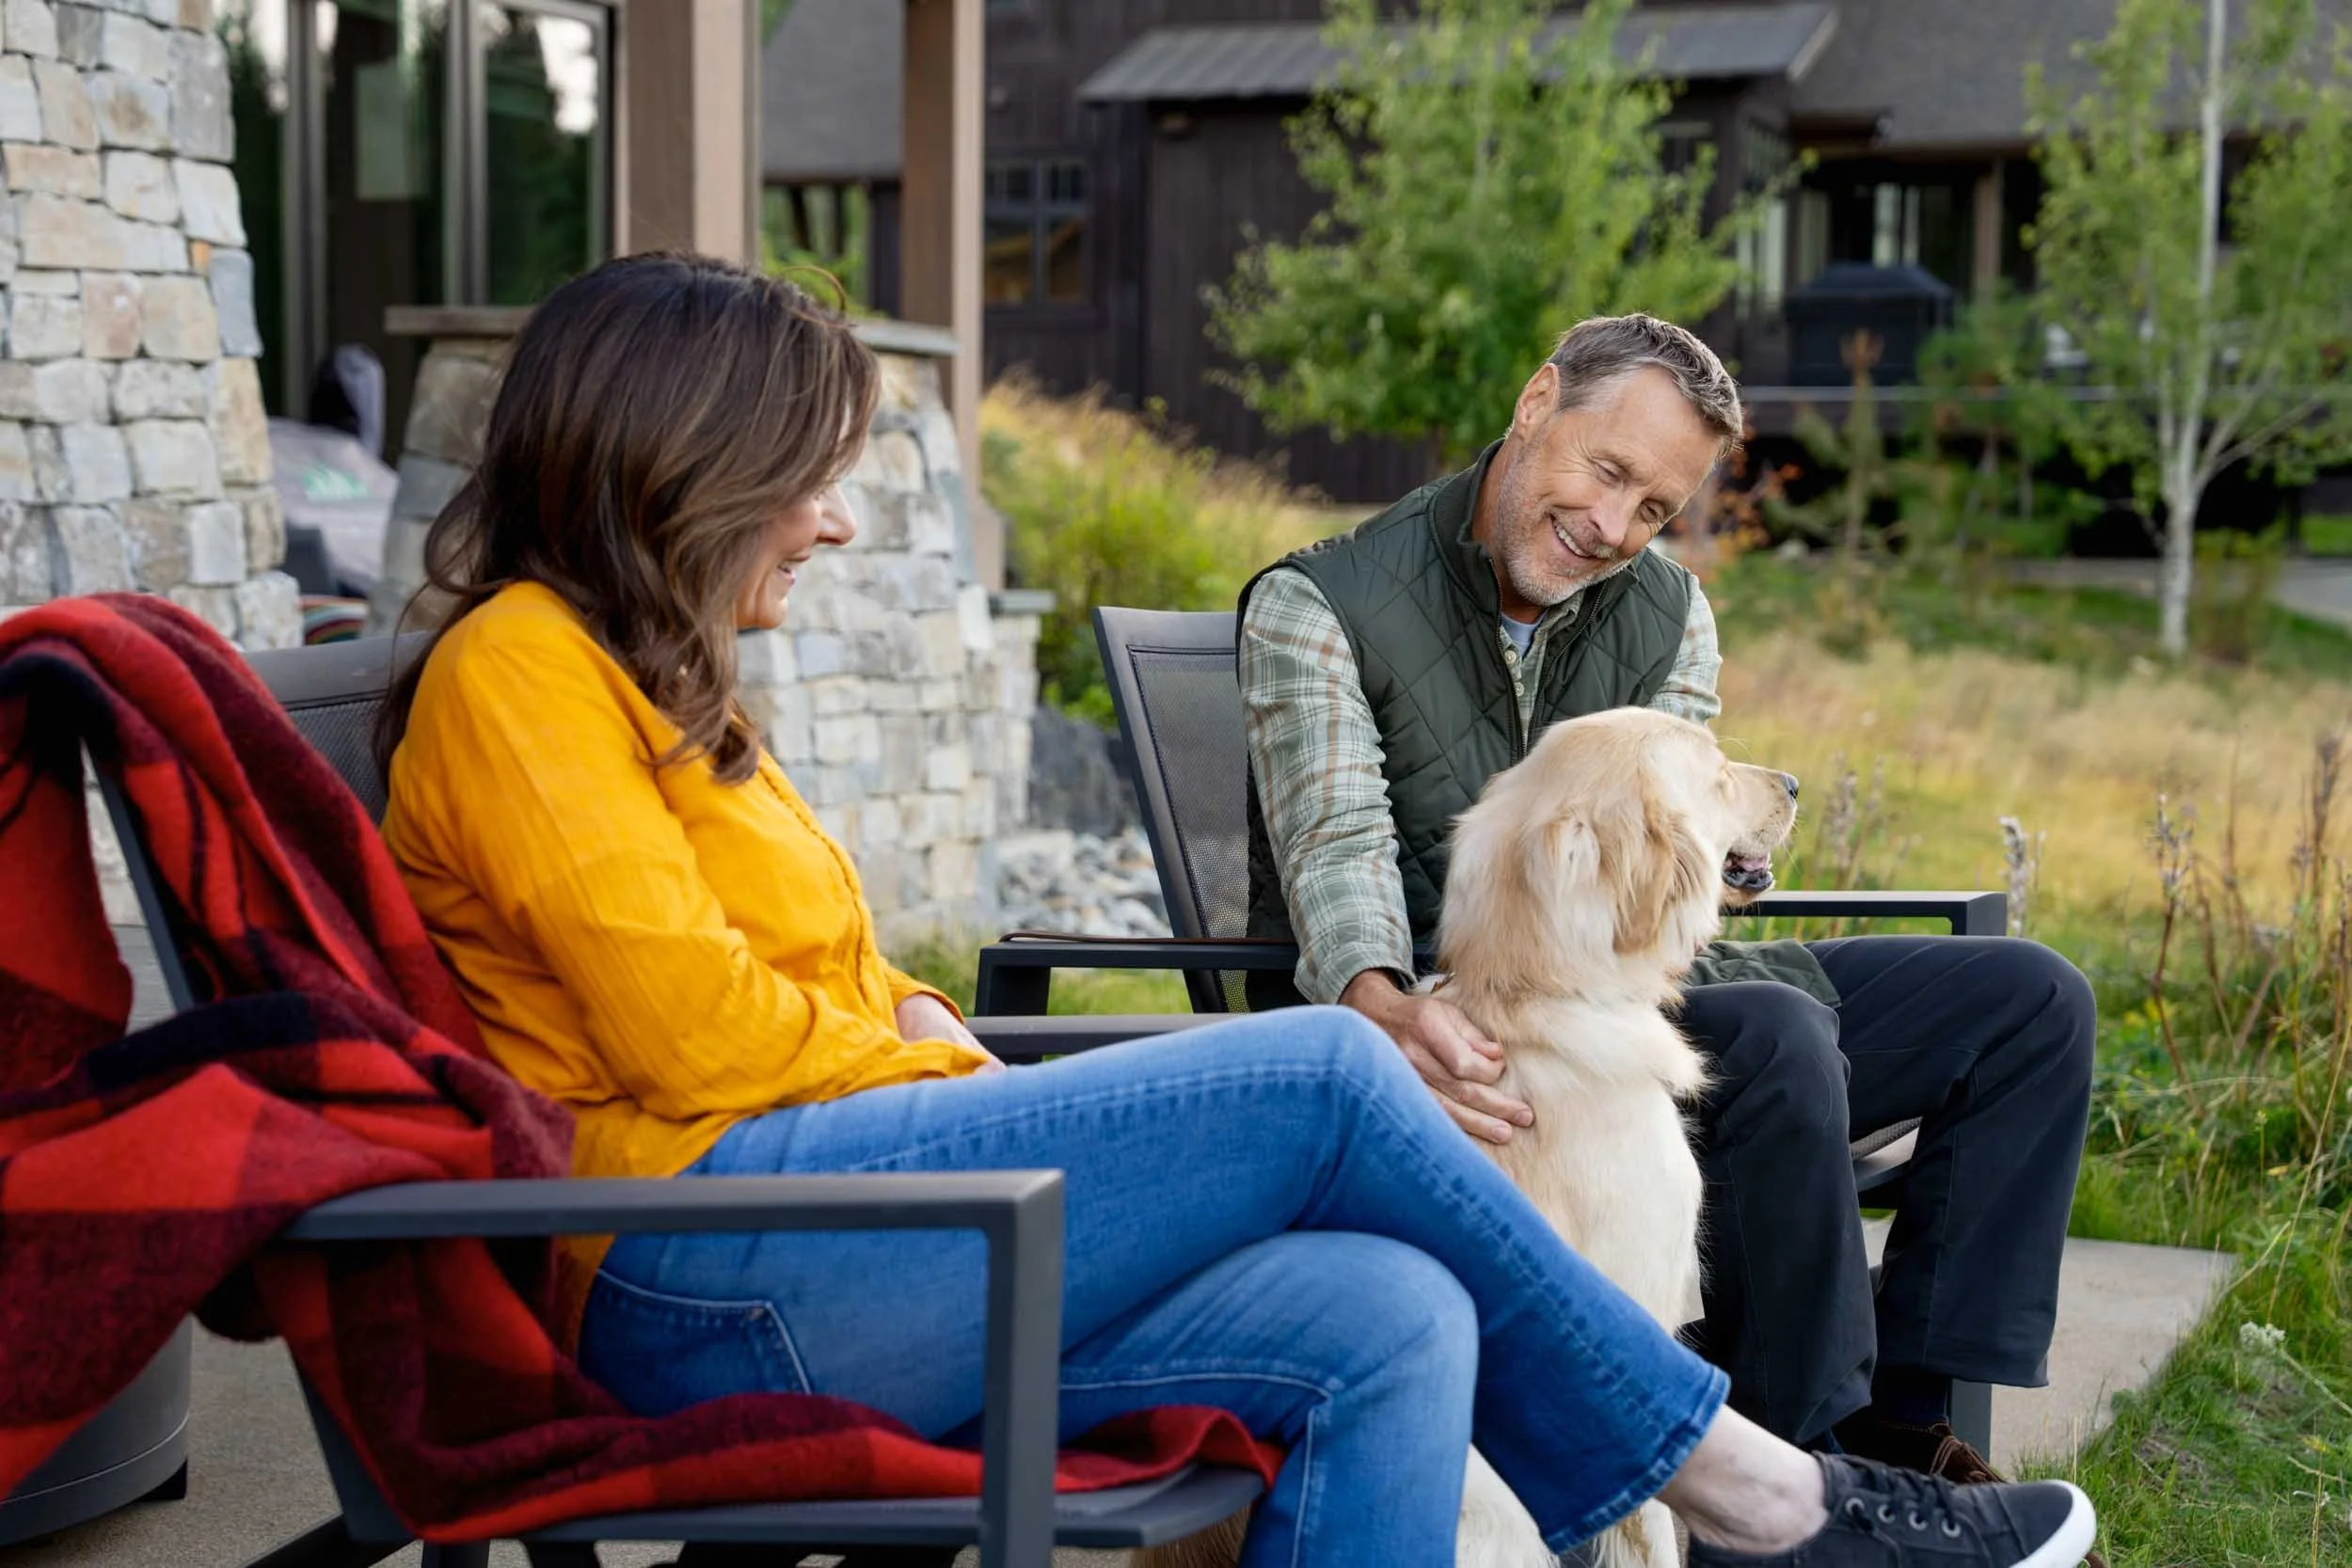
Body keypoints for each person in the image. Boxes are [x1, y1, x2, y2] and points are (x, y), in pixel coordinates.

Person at [374, 252, 2095, 1568]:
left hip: (853, 1216)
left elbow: (827, 975)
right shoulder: (520, 672)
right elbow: (695, 1033)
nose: (830, 520)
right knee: (1341, 1070)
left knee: (1388, 1312)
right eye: (806, 476)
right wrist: (932, 1063)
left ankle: (1781, 1472)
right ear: (680, 463)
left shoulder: (668, 686)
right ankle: (1761, 1487)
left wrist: (910, 1020)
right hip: (708, 1270)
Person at [1238, 313, 2099, 1478]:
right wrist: (1382, 1003)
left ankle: (1904, 1419)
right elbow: (1334, 844)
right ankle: (1807, 1472)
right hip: (1489, 1017)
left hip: (1650, 992)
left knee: (2030, 1001)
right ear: (1538, 401)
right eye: (1607, 473)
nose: (1612, 529)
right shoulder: (1322, 606)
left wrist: (1730, 849)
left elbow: (1682, 847)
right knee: (1783, 1036)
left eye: (1652, 508)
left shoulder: (1668, 607)